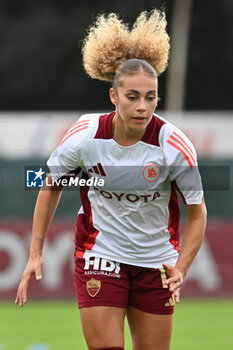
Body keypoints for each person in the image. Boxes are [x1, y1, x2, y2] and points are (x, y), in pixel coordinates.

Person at [15, 9, 207, 350]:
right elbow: (50, 185)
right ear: (114, 96)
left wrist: (182, 267)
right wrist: (35, 252)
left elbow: (197, 212)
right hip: (99, 255)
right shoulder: (84, 136)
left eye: (151, 98)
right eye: (132, 97)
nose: (142, 107)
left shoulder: (175, 146)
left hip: (156, 262)